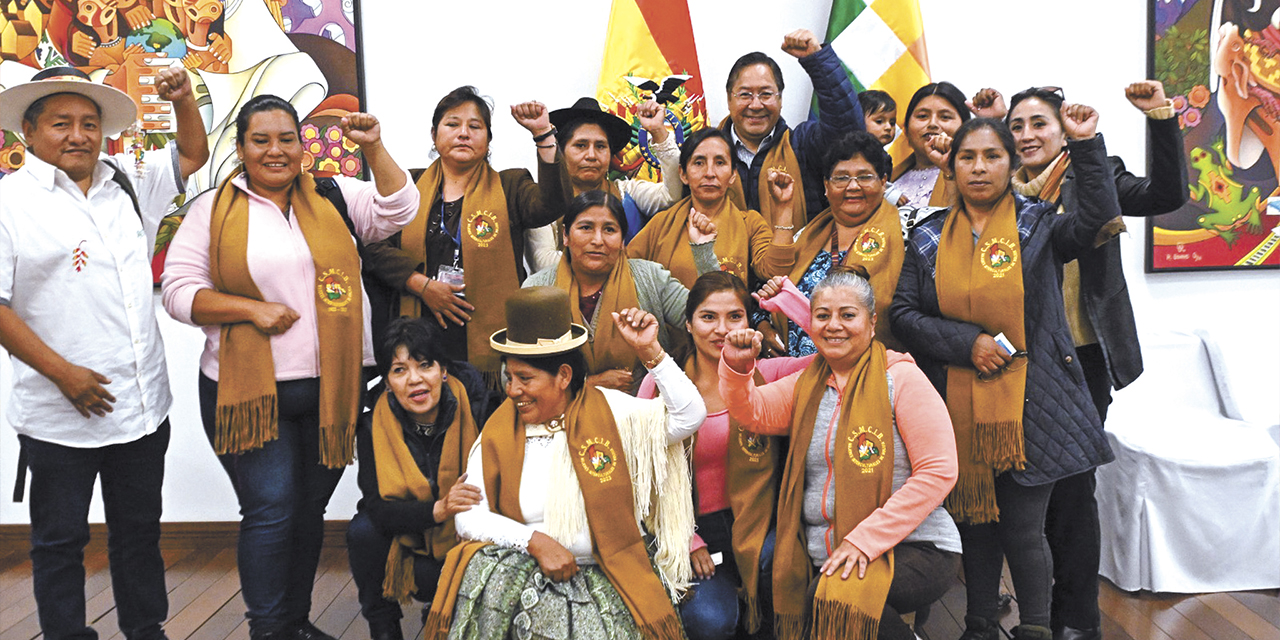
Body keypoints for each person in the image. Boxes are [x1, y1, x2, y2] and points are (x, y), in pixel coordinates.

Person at [161, 94, 418, 640]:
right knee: (272, 508)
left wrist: (372, 147)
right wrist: (249, 310)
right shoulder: (212, 209)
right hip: (249, 393)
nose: (275, 151)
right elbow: (179, 293)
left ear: (303, 145)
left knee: (307, 512)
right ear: (240, 147)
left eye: (287, 139)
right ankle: (269, 629)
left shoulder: (332, 193)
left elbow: (399, 209)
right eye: (261, 140)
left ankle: (295, 622)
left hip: (332, 390)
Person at [889, 114, 1120, 640]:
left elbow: (1098, 223)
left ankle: (1035, 627)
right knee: (975, 524)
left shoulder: (1041, 224)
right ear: (951, 164)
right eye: (967, 156)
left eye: (992, 156)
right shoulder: (925, 236)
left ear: (1012, 165)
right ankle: (979, 625)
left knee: (1022, 527)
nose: (978, 167)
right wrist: (968, 343)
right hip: (958, 400)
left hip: (1033, 403)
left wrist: (1086, 146)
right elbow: (904, 313)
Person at [0, 65, 208, 640]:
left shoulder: (125, 181)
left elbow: (191, 155)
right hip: (58, 412)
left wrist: (186, 99)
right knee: (59, 541)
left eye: (89, 123)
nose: (78, 135)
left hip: (142, 405)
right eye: (61, 123)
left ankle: (147, 629)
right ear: (28, 131)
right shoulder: (9, 202)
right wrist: (63, 374)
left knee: (139, 531)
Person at [997, 81, 1186, 640]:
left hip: (1080, 357)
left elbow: (1168, 194)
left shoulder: (1092, 172)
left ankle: (1076, 620)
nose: (1028, 135)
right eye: (1017, 126)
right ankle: (1033, 611)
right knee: (1028, 493)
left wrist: (1159, 117)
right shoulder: (994, 188)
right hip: (1014, 360)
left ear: (1062, 130)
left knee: (1073, 490)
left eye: (1039, 124)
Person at [424, 287, 707, 640]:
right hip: (523, 571)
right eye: (509, 377)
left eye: (525, 379)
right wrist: (535, 541)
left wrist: (652, 352)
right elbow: (468, 516)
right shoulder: (498, 431)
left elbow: (689, 416)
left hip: (607, 571)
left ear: (563, 376)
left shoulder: (614, 411)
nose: (512, 391)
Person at [718, 268, 961, 640]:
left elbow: (939, 471)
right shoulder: (807, 383)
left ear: (872, 321)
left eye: (848, 315)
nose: (834, 325)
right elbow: (752, 411)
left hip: (916, 546)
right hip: (829, 552)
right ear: (811, 323)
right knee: (827, 596)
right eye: (823, 315)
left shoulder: (903, 379)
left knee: (834, 598)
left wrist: (864, 541)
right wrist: (737, 368)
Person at [637, 271, 813, 640]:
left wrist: (787, 303)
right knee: (711, 621)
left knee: (776, 572)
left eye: (735, 316)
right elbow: (644, 474)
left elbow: (837, 354)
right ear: (687, 323)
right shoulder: (658, 384)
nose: (721, 329)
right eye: (707, 317)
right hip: (693, 530)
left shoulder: (767, 374)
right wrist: (686, 539)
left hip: (759, 523)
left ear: (750, 322)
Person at [360, 87, 566, 386]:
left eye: (475, 126)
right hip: (420, 334)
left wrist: (543, 135)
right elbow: (373, 245)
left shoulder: (510, 186)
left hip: (489, 347)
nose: (464, 133)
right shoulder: (409, 185)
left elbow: (552, 205)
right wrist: (422, 285)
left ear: (488, 139)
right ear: (434, 134)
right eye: (452, 124)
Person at [347, 318, 489, 640]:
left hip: (468, 544)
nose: (415, 380)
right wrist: (437, 510)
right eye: (399, 370)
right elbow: (379, 510)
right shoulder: (372, 428)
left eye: (424, 365)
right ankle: (384, 628)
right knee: (363, 532)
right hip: (410, 552)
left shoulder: (481, 410)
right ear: (386, 381)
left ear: (443, 370)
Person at [524, 190, 695, 392]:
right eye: (586, 227)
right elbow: (514, 373)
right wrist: (587, 385)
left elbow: (706, 321)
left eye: (609, 230)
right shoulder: (536, 290)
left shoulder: (650, 278)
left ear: (623, 240)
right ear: (565, 235)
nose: (598, 240)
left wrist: (703, 249)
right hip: (563, 419)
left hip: (645, 417)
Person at [757, 131, 908, 357]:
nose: (853, 186)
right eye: (841, 178)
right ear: (826, 187)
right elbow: (770, 280)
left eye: (865, 177)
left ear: (884, 182)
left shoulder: (908, 232)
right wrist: (764, 326)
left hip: (865, 373)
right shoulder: (807, 235)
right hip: (792, 375)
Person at [721, 29, 864, 224]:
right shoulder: (708, 152)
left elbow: (849, 134)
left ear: (780, 99)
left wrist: (818, 60)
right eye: (745, 95)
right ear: (729, 99)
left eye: (766, 94)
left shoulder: (803, 145)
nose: (755, 105)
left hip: (800, 254)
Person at [523, 96, 680, 271]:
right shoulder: (543, 202)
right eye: (581, 145)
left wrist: (658, 132)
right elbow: (543, 263)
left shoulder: (627, 191)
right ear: (561, 152)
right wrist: (615, 258)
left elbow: (671, 196)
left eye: (600, 146)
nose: (591, 155)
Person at [628, 128, 796, 288]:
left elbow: (776, 273)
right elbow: (624, 271)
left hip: (728, 317)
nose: (709, 173)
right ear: (683, 174)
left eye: (720, 162)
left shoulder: (750, 223)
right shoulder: (661, 225)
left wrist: (784, 207)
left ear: (733, 175)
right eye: (699, 162)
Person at [892, 82, 971, 209]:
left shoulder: (976, 176)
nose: (933, 124)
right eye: (922, 116)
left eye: (945, 117)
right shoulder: (886, 179)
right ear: (906, 130)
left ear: (966, 130)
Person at [859, 90, 908, 208]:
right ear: (858, 119)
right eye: (879, 121)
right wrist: (890, 193)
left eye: (892, 123)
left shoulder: (884, 157)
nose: (888, 127)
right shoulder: (854, 153)